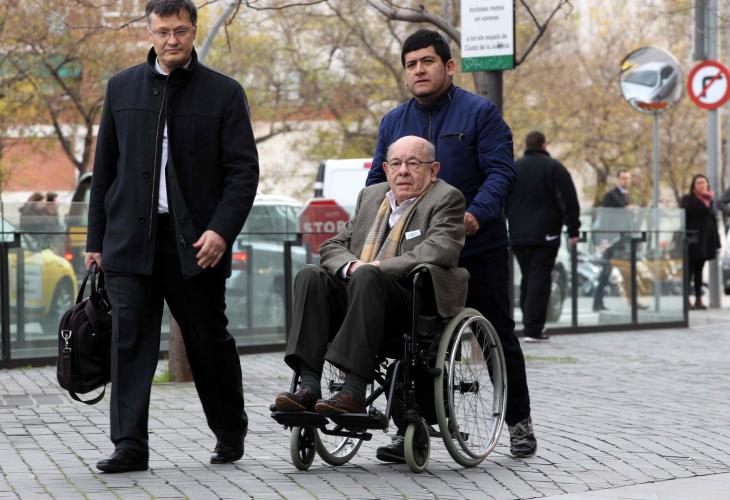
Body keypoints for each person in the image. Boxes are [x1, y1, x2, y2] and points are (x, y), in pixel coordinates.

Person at [85, 0, 259, 473]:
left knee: (208, 340)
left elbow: (243, 173)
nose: (172, 40)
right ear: (150, 33)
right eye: (163, 31)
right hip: (129, 242)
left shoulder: (224, 93)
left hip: (196, 246)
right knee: (129, 343)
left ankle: (230, 430)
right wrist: (95, 240)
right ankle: (129, 446)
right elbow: (105, 170)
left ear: (194, 30)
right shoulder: (121, 88)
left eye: (180, 30)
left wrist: (221, 231)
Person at [366, 29, 536, 460]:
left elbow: (501, 173)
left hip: (477, 247)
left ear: (449, 66)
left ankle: (518, 421)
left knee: (497, 332)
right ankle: (410, 425)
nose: (419, 70)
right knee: (409, 335)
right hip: (413, 252)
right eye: (411, 64)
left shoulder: (480, 114)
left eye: (427, 61)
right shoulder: (393, 122)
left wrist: (475, 215)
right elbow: (376, 183)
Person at [274, 136, 467, 416]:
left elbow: (440, 249)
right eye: (396, 164)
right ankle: (308, 386)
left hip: (409, 303)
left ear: (433, 170)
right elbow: (333, 245)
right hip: (360, 295)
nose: (403, 171)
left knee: (367, 277)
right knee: (310, 276)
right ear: (386, 169)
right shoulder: (371, 196)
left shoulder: (447, 198)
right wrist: (352, 266)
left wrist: (376, 268)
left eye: (413, 163)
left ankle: (353, 391)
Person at [507, 131, 580, 342]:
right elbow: (569, 200)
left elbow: (503, 198)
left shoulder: (514, 168)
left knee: (528, 277)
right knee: (540, 279)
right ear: (544, 146)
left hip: (518, 234)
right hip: (546, 234)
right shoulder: (554, 168)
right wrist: (573, 229)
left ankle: (529, 324)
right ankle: (533, 329)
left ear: (526, 145)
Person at [592, 169, 632, 311]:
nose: (626, 181)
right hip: (611, 240)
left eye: (628, 178)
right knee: (606, 272)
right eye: (623, 178)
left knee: (626, 271)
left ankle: (632, 301)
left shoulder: (626, 195)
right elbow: (604, 217)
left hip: (622, 240)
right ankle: (597, 302)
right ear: (618, 180)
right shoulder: (611, 195)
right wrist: (604, 240)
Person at [681, 174, 721, 310]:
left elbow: (713, 221)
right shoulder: (687, 200)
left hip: (705, 241)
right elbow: (687, 216)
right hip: (692, 241)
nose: (702, 185)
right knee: (689, 271)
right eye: (698, 183)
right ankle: (686, 299)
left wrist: (716, 242)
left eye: (704, 182)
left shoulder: (710, 200)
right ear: (693, 186)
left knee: (699, 271)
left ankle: (699, 299)